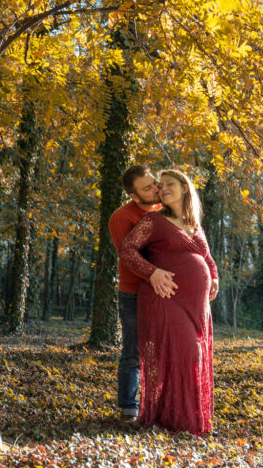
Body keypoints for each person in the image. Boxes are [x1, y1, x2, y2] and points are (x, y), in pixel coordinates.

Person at [118, 169, 219, 435]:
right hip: (167, 299)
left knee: (191, 357)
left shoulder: (194, 224)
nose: (163, 189)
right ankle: (176, 420)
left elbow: (207, 259)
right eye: (160, 186)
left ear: (185, 188)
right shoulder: (153, 221)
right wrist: (153, 273)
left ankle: (183, 418)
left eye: (169, 184)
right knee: (185, 354)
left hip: (196, 306)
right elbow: (127, 249)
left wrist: (215, 279)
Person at [108, 165, 177, 425]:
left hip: (166, 293)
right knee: (133, 351)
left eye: (154, 183)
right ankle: (128, 407)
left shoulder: (167, 211)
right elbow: (127, 256)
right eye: (148, 188)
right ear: (134, 197)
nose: (156, 189)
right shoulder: (122, 216)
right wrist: (152, 273)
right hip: (134, 294)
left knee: (164, 351)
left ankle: (160, 406)